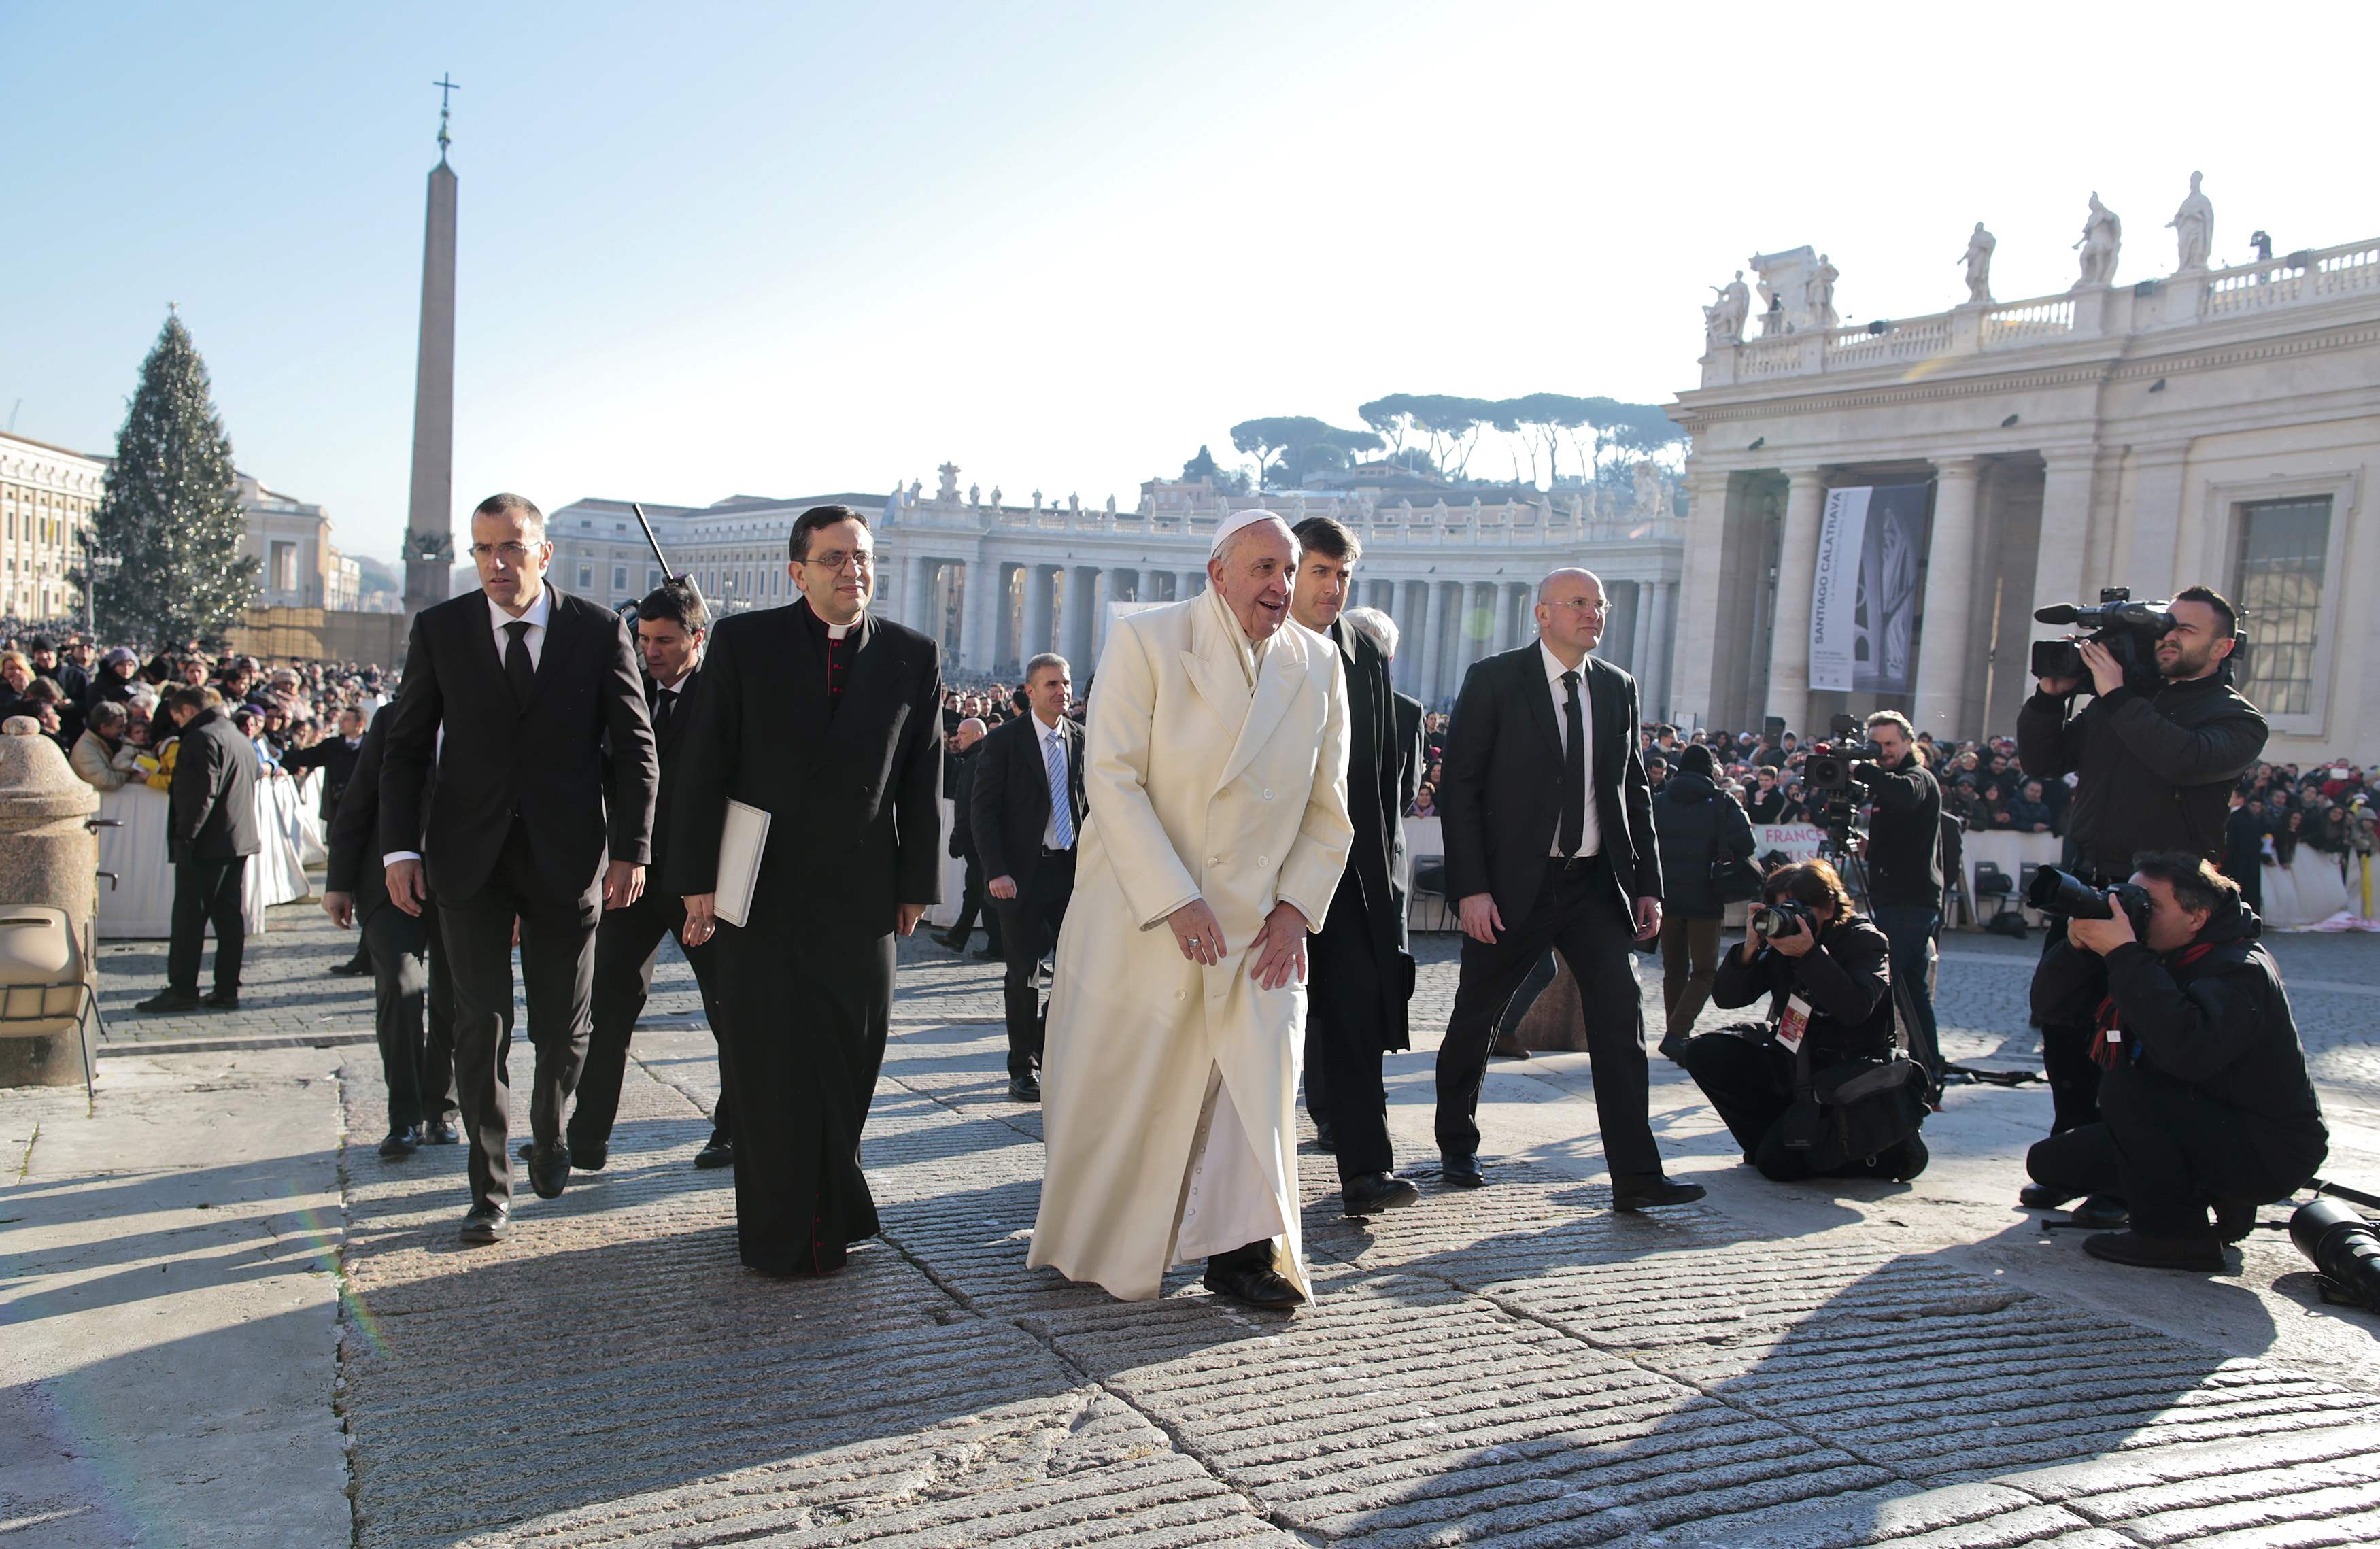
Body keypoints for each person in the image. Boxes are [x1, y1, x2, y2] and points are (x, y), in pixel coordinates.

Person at [1030, 511, 1352, 1310]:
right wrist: (1174, 896)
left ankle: (1242, 1254)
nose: (1281, 587)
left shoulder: (1318, 662)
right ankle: (1102, 1236)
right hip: (1149, 913)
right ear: (1218, 573)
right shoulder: (1146, 641)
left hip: (1258, 926)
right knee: (1135, 1087)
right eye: (1264, 569)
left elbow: (1327, 807)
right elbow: (1110, 778)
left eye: (1289, 571)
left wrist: (1295, 910)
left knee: (1257, 1079)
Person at [378, 492, 659, 1246]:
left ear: (544, 552)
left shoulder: (596, 631)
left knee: (564, 1028)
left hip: (568, 858)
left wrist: (632, 848)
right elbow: (405, 747)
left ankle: (551, 1125)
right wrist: (399, 849)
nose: (496, 563)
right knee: (477, 1025)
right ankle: (488, 1184)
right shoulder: (441, 630)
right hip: (466, 859)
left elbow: (635, 749)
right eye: (482, 549)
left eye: (510, 547)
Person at [673, 503, 943, 1276]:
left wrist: (915, 883)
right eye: (832, 559)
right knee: (766, 1064)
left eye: (860, 557)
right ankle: (778, 1233)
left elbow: (920, 779)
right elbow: (703, 767)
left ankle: (832, 1209)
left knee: (851, 1057)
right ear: (797, 572)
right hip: (759, 887)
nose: (851, 570)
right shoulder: (744, 642)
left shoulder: (911, 655)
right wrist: (695, 882)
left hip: (860, 894)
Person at [1431, 567, 1701, 1208]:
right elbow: (1460, 788)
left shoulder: (1617, 688)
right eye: (1579, 603)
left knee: (1621, 1018)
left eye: (1600, 603)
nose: (1594, 613)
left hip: (1594, 888)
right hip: (1510, 888)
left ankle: (1636, 1176)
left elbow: (1632, 790)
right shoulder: (1495, 679)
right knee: (1478, 1014)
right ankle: (1456, 1144)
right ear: (1542, 613)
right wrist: (1471, 889)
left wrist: (1647, 885)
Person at [2016, 585, 2267, 1225]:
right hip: (2090, 888)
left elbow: (2180, 760)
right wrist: (2051, 696)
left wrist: (2119, 693)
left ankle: (2126, 1177)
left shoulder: (2234, 717)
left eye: (2186, 629)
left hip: (2164, 908)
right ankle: (2077, 1155)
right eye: (2168, 626)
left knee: (2135, 1043)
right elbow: (2043, 760)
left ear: (2222, 646)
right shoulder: (2121, 702)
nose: (2170, 637)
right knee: (2066, 1027)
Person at [2025, 854, 2325, 1270]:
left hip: (2269, 1148)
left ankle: (2174, 1237)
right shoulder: (2154, 952)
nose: (2134, 912)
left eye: (2149, 905)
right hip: (2204, 1121)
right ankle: (2213, 1196)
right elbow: (2051, 1009)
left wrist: (2126, 955)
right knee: (2052, 1164)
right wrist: (2076, 948)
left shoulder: (2240, 969)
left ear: (2197, 917)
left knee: (2127, 1086)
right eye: (2128, 897)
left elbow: (2188, 1051)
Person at [565, 579, 738, 1172]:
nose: (652, 651)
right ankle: (586, 1137)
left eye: (665, 640)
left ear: (698, 637)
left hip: (703, 885)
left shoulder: (726, 697)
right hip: (631, 878)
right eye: (643, 640)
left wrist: (710, 887)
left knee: (729, 1011)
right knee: (607, 1006)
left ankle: (733, 1129)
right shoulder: (628, 691)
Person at [1285, 517, 1421, 1216]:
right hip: (1265, 874)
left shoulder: (1363, 654)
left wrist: (1386, 886)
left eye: (1342, 575)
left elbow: (1379, 783)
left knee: (1355, 1018)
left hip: (1348, 874)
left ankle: (1366, 1170)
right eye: (1318, 572)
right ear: (1288, 570)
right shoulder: (1259, 640)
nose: (1332, 588)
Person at [1681, 858, 1928, 1182]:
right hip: (1795, 1062)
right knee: (1704, 1052)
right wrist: (1750, 949)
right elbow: (1729, 999)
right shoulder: (1782, 941)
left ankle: (1883, 1153)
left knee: (1777, 1167)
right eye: (1780, 909)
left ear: (1828, 908)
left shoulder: (1864, 941)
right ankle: (1771, 1142)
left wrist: (1809, 957)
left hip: (1850, 1078)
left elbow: (1854, 1008)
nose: (1788, 918)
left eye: (1797, 908)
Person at [323, 704, 466, 1157]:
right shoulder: (392, 719)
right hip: (385, 886)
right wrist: (338, 882)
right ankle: (401, 1118)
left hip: (461, 886)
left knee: (452, 999)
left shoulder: (490, 710)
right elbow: (360, 799)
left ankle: (440, 1108)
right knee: (401, 989)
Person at [970, 653, 1085, 1103]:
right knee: (1024, 974)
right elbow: (984, 811)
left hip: (1070, 872)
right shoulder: (1003, 742)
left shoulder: (1080, 738)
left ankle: (1042, 1043)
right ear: (1031, 691)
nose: (1062, 692)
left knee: (1078, 972)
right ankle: (1023, 1068)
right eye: (1052, 684)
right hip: (1020, 876)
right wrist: (996, 870)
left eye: (1067, 683)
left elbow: (1086, 805)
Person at [135, 685, 261, 1014]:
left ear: (188, 710)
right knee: (228, 918)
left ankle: (183, 989)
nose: (176, 722)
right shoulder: (237, 735)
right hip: (236, 841)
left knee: (190, 919)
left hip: (206, 844)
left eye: (177, 716)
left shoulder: (200, 738)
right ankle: (226, 989)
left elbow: (199, 795)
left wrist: (185, 837)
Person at [1848, 711, 1945, 1092]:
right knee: (1912, 990)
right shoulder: (1889, 781)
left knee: (1887, 986)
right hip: (1896, 896)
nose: (1884, 752)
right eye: (1878, 746)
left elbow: (1906, 795)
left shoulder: (1916, 777)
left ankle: (1895, 1073)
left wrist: (1863, 769)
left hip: (1911, 901)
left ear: (1908, 743)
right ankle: (1930, 1069)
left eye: (1890, 744)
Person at [1652, 743, 1755, 1060]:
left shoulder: (1658, 802)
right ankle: (1677, 1033)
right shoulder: (1722, 801)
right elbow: (1747, 843)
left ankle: (1675, 1032)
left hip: (1666, 896)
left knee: (1674, 969)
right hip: (1706, 898)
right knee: (1706, 970)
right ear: (1710, 769)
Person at [934, 718, 1004, 961]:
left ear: (976, 735)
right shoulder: (982, 758)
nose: (958, 738)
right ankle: (959, 936)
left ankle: (997, 945)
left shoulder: (975, 762)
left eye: (963, 734)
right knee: (975, 890)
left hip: (977, 838)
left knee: (983, 891)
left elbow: (968, 805)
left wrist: (957, 837)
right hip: (983, 836)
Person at [68, 700, 137, 791]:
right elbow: (106, 782)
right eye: (120, 727)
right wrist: (132, 771)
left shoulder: (117, 740)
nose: (124, 730)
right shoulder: (85, 750)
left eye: (125, 726)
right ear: (103, 727)